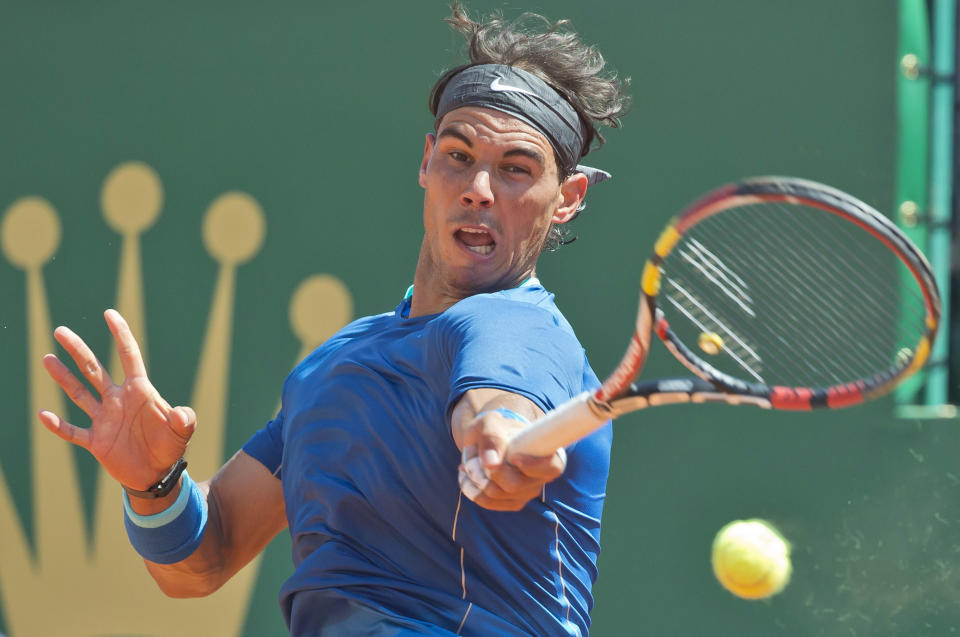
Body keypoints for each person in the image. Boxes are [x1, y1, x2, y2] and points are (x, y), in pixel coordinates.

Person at [38, 4, 629, 635]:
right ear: (427, 161)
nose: (479, 187)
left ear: (566, 199)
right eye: (459, 155)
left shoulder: (517, 331)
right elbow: (202, 564)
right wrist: (155, 485)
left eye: (516, 169)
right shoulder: (334, 364)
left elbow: (496, 400)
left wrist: (497, 439)